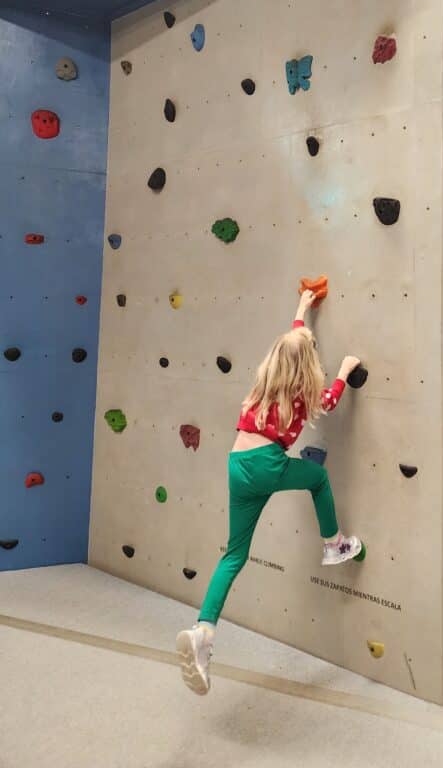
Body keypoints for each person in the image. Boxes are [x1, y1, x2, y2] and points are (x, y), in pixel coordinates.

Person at [176, 288, 363, 695]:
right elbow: (328, 402)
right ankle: (334, 544)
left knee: (235, 554)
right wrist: (345, 373)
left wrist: (302, 308)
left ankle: (203, 631)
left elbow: (295, 341)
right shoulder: (302, 393)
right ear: (306, 365)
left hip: (237, 464)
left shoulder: (270, 380)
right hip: (266, 466)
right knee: (317, 478)